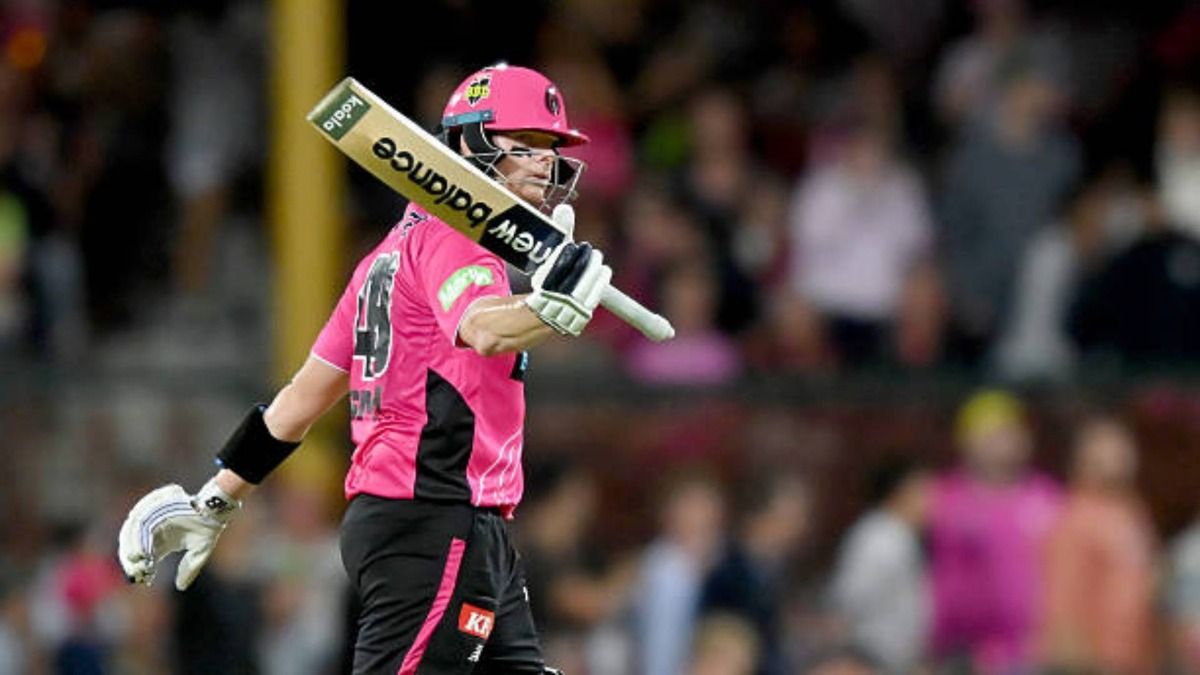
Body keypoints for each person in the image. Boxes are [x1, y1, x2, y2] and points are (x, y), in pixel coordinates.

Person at [117, 63, 617, 675]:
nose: (545, 164)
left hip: (449, 526)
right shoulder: (456, 236)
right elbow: (483, 327)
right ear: (471, 142)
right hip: (433, 522)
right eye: (529, 145)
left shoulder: (383, 257)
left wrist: (216, 497)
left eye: (552, 149)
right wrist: (555, 306)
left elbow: (302, 400)